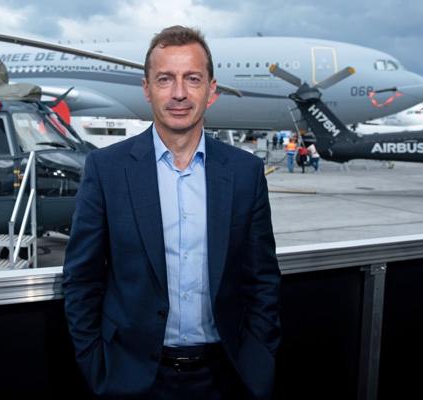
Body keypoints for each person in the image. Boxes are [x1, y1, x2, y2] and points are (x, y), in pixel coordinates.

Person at [63, 25, 281, 400]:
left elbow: (262, 279)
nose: (179, 93)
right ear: (147, 89)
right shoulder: (106, 169)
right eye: (165, 79)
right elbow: (81, 279)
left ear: (211, 90)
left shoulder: (244, 172)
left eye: (192, 79)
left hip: (226, 376)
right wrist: (96, 365)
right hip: (131, 379)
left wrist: (258, 358)